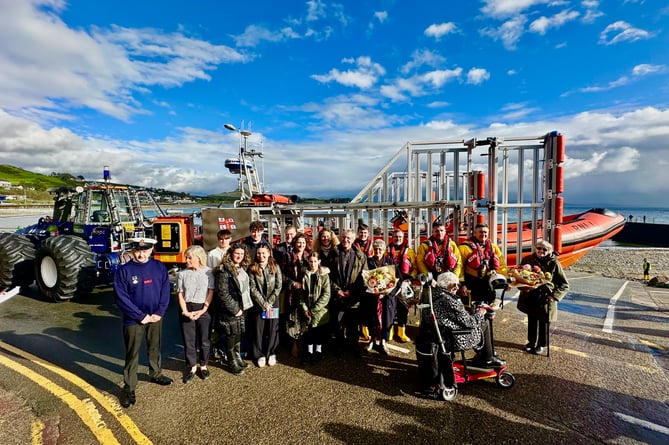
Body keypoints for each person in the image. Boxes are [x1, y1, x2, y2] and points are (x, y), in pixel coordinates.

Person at [415, 272, 504, 395]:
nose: (457, 287)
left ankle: (484, 356)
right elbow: (469, 322)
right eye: (454, 285)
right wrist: (481, 312)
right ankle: (487, 357)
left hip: (436, 334)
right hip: (454, 337)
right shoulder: (449, 300)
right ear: (446, 286)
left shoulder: (431, 293)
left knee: (478, 318)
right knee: (484, 322)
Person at [114, 237, 173, 408]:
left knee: (155, 346)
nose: (141, 254)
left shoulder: (159, 267)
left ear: (151, 250)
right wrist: (140, 316)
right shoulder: (124, 271)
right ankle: (129, 387)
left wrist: (159, 312)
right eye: (138, 250)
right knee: (132, 353)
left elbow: (165, 291)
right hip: (134, 319)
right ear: (133, 250)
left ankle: (156, 373)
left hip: (155, 317)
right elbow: (121, 298)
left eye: (145, 250)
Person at [516, 240, 569, 355]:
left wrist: (554, 296)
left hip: (546, 297)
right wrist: (522, 286)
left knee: (544, 322)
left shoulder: (554, 264)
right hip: (531, 296)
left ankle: (541, 345)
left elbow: (564, 284)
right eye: (539, 248)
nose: (541, 251)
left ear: (549, 251)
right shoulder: (527, 260)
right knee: (532, 321)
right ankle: (531, 342)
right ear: (535, 248)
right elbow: (520, 275)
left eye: (545, 249)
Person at [177, 245, 215, 383]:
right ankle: (192, 366)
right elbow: (180, 294)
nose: (186, 260)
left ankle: (203, 365)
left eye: (189, 258)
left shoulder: (208, 273)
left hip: (203, 308)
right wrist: (185, 312)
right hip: (187, 308)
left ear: (198, 258)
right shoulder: (182, 274)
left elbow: (211, 291)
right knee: (189, 341)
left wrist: (204, 309)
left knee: (205, 340)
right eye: (186, 257)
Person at [215, 243, 253, 375]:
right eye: (237, 253)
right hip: (231, 310)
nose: (239, 256)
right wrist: (235, 309)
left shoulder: (241, 268)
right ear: (231, 253)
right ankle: (231, 362)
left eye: (242, 254)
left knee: (237, 334)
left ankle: (238, 357)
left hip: (242, 308)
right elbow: (222, 292)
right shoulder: (224, 270)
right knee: (231, 335)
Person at [329, 228, 368, 356]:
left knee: (353, 323)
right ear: (340, 237)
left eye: (348, 238)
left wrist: (351, 291)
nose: (346, 240)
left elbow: (364, 277)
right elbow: (327, 276)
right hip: (338, 295)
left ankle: (353, 345)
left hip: (353, 296)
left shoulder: (360, 256)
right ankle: (340, 345)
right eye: (344, 237)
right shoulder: (333, 254)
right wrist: (337, 290)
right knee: (338, 323)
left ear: (353, 239)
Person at [248, 243, 283, 367]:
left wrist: (270, 302)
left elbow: (279, 286)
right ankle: (259, 354)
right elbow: (252, 288)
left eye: (264, 253)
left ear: (269, 253)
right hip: (258, 304)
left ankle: (271, 352)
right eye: (259, 253)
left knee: (273, 328)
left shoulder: (275, 266)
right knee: (259, 329)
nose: (261, 255)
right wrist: (263, 304)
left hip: (273, 303)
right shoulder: (253, 268)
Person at [459, 223, 508, 305]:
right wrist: (462, 284)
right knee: (470, 309)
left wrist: (506, 280)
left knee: (488, 308)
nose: (483, 234)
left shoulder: (493, 247)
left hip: (488, 283)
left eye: (485, 232)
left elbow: (502, 265)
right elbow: (459, 267)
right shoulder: (464, 248)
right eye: (480, 232)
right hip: (471, 282)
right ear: (474, 233)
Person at [363, 239, 398, 355]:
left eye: (380, 249)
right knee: (371, 318)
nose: (378, 251)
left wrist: (388, 292)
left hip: (387, 298)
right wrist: (372, 291)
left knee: (386, 319)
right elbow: (364, 279)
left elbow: (398, 280)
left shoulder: (390, 262)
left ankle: (383, 341)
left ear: (384, 250)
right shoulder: (368, 262)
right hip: (372, 297)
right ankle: (372, 339)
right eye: (376, 249)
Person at [280, 232, 310, 357]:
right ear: (294, 243)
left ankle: (302, 342)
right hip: (291, 292)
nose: (301, 245)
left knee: (304, 317)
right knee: (292, 318)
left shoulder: (308, 256)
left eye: (303, 242)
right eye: (299, 242)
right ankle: (293, 343)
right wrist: (292, 282)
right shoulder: (287, 256)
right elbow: (280, 274)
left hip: (305, 293)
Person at [299, 252, 331, 365]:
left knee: (318, 333)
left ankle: (318, 352)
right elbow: (301, 295)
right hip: (307, 309)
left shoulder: (324, 276)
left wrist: (313, 310)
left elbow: (326, 295)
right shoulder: (305, 275)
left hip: (319, 310)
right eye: (311, 261)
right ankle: (309, 353)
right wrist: (305, 308)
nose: (313, 264)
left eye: (315, 261)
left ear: (319, 262)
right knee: (309, 333)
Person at [387, 228, 416, 343]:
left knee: (403, 308)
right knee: (390, 308)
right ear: (392, 238)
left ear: (403, 238)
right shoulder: (386, 250)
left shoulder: (410, 252)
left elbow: (415, 267)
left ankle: (401, 332)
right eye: (395, 237)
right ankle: (390, 331)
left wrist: (410, 279)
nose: (397, 238)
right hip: (391, 283)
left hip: (404, 283)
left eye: (400, 237)